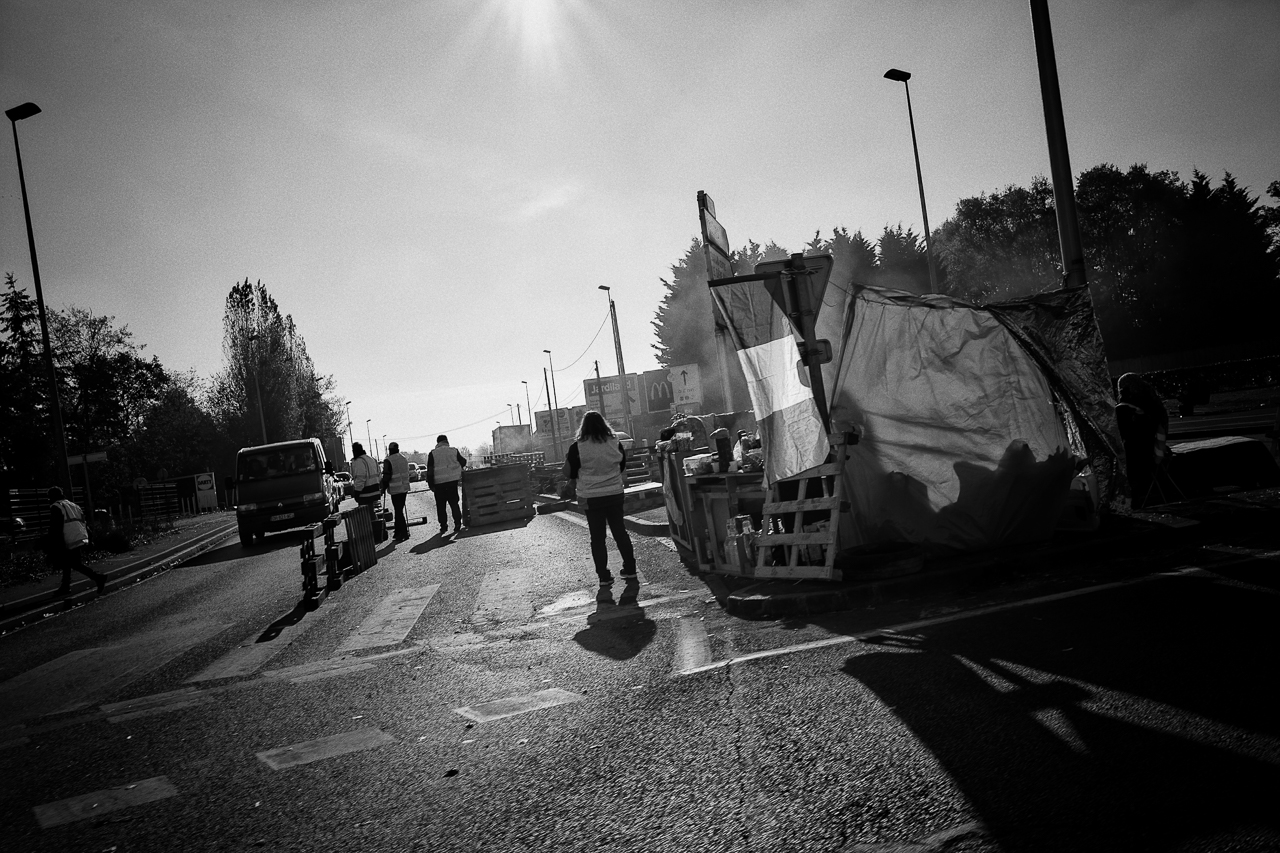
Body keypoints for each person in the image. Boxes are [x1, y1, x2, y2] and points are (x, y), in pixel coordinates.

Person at [565, 410, 637, 587]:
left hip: (591, 497)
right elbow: (621, 466)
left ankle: (604, 576)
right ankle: (630, 569)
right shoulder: (614, 442)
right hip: (614, 493)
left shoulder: (578, 447)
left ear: (583, 427)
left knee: (597, 537)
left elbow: (570, 472)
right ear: (604, 424)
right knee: (620, 531)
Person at [45, 486, 107, 596]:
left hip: (68, 538)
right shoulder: (74, 505)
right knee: (68, 563)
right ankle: (65, 587)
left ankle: (98, 577)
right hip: (79, 536)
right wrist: (90, 538)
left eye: (49, 497)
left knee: (73, 564)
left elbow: (56, 527)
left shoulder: (56, 507)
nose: (48, 499)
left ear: (52, 496)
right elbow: (84, 522)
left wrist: (56, 543)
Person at [426, 434, 467, 535]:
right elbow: (463, 461)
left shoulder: (433, 453)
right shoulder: (453, 451)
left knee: (441, 506)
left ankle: (443, 526)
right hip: (452, 483)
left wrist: (431, 484)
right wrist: (456, 469)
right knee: (454, 504)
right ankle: (457, 523)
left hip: (439, 484)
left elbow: (430, 471)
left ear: (437, 443)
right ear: (446, 441)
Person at [381, 441, 411, 541]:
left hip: (395, 489)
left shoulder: (388, 460)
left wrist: (382, 488)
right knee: (399, 510)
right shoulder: (403, 458)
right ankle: (398, 532)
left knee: (398, 511)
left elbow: (386, 476)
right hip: (404, 488)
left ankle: (404, 532)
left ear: (390, 450)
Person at [349, 442, 382, 510]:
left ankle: (372, 520)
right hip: (375, 490)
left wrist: (357, 492)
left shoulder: (359, 461)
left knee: (366, 513)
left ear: (354, 451)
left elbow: (360, 478)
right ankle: (375, 520)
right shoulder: (372, 459)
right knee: (371, 510)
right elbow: (379, 475)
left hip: (366, 493)